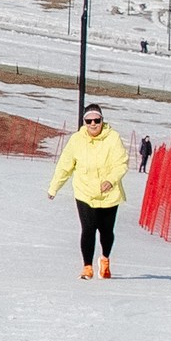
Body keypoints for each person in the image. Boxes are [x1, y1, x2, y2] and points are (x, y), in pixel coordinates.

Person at [47, 103, 129, 279]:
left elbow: (121, 163)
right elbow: (64, 166)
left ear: (102, 121)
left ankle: (105, 259)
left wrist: (111, 180)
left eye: (96, 120)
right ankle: (87, 267)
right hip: (84, 192)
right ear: (84, 122)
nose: (93, 124)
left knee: (106, 232)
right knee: (88, 229)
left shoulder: (113, 138)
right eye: (89, 121)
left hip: (109, 194)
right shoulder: (76, 140)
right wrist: (54, 187)